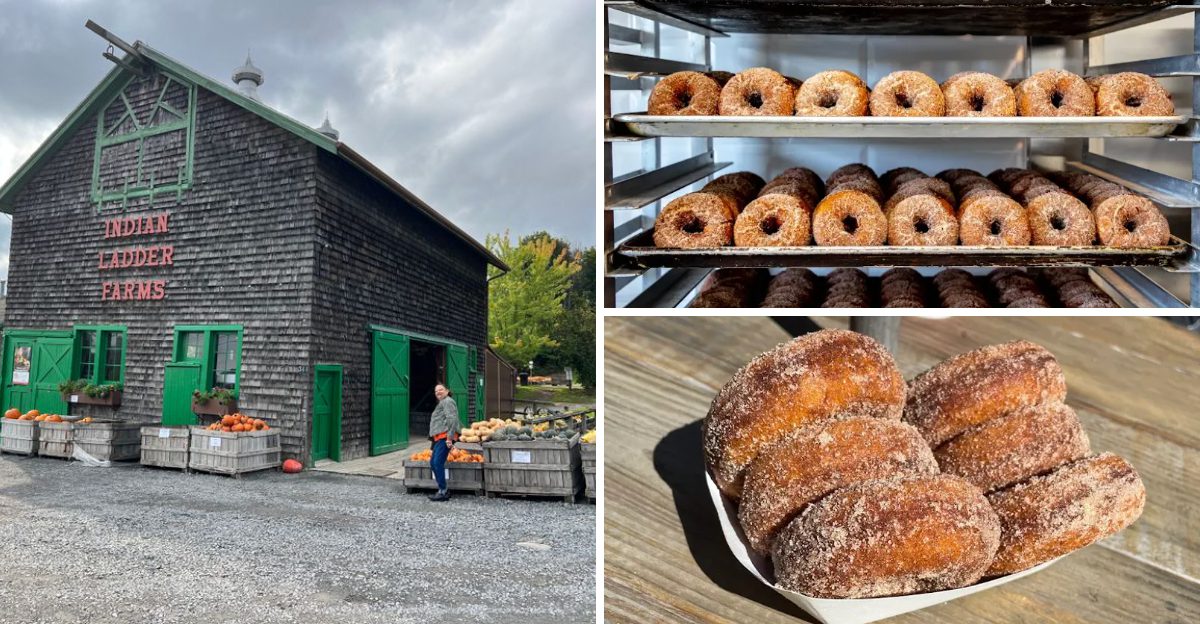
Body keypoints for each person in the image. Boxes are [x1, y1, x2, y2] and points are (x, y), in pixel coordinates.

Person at [427, 383, 461, 501]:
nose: (438, 392)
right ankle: (443, 490)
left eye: (441, 390)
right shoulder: (443, 402)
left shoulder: (448, 401)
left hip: (445, 437)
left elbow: (452, 419)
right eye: (436, 391)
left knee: (437, 463)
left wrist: (449, 438)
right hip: (439, 438)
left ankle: (443, 491)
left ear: (447, 391)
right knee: (433, 463)